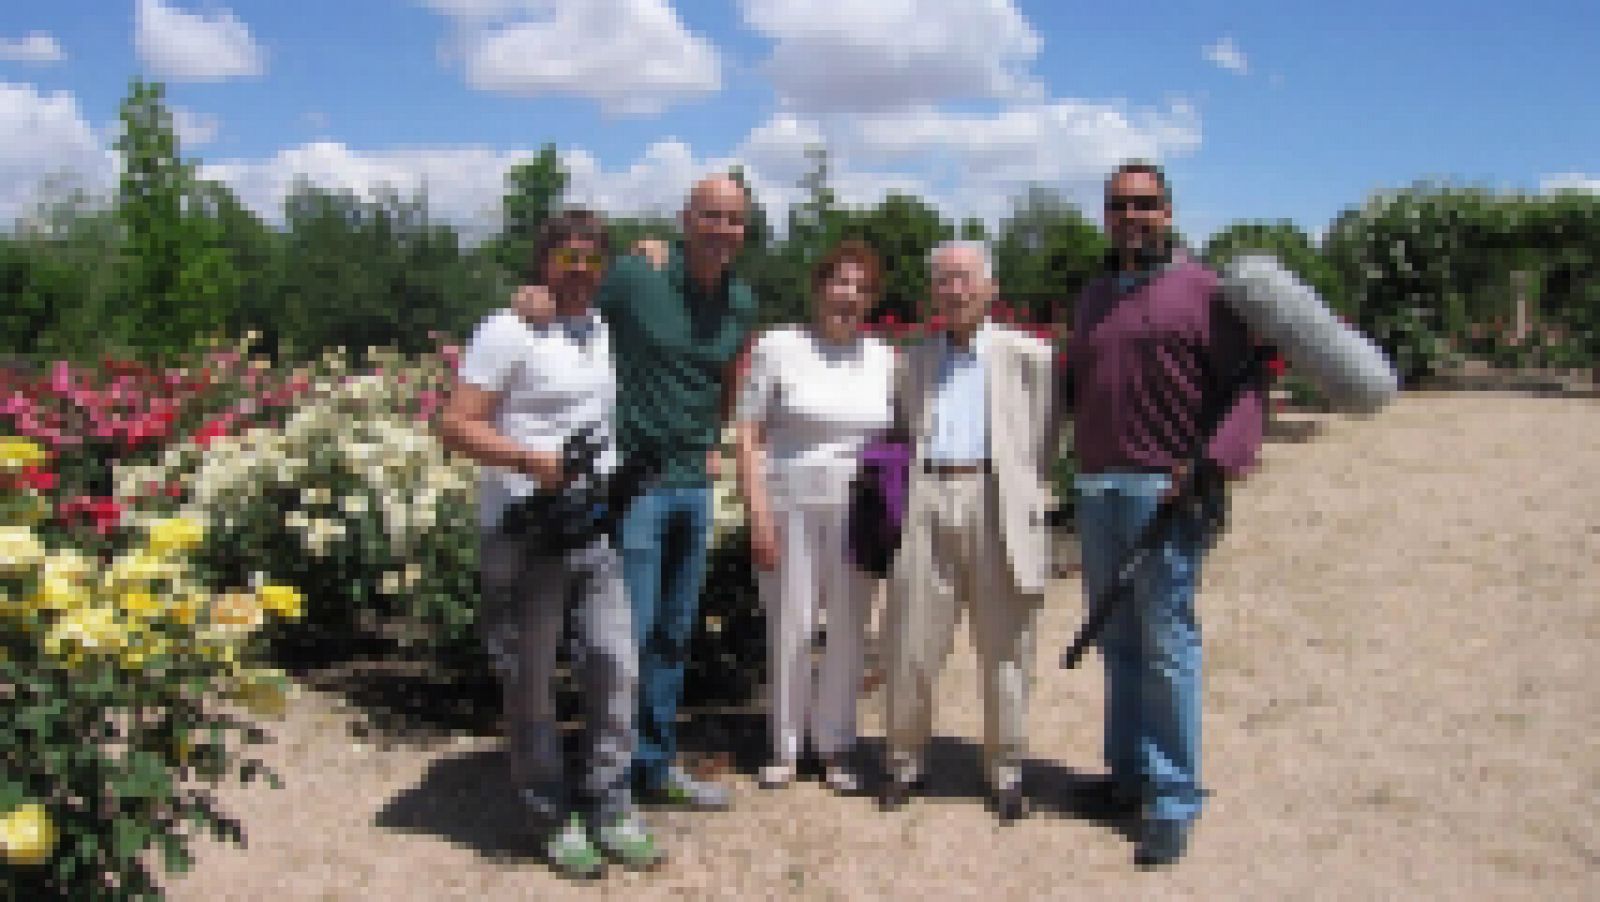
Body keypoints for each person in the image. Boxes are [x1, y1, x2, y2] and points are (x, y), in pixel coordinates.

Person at [439, 209, 663, 877]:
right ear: (543, 262)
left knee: (612, 664)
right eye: (567, 257)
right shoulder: (508, 329)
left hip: (589, 523)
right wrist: (528, 461)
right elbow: (455, 426)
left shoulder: (595, 326)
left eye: (592, 259)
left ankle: (609, 804)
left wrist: (652, 248)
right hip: (526, 529)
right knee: (531, 681)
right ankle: (548, 812)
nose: (580, 271)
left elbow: (664, 268)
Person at [1064, 160, 1264, 867]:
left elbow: (1247, 391)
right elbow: (1071, 388)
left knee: (1167, 646)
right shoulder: (1090, 299)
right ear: (1106, 216)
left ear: (1170, 212)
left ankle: (1175, 800)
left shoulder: (1208, 293)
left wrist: (1211, 465)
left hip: (1167, 495)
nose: (1132, 216)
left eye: (1145, 204)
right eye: (1119, 205)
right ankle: (1127, 778)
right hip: (1097, 491)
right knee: (1117, 644)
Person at [879, 240, 1059, 824]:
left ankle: (1005, 771)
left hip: (996, 497)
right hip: (928, 497)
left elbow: (1052, 432)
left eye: (965, 279)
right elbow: (902, 429)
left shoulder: (1031, 357)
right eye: (943, 280)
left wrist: (1032, 491)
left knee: (1007, 646)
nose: (953, 291)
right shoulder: (914, 361)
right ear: (932, 291)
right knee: (910, 640)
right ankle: (904, 762)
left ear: (991, 289)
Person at [596, 176, 758, 810]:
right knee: (627, 636)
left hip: (695, 486)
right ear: (685, 219)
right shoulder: (640, 277)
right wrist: (532, 297)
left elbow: (722, 375)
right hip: (639, 485)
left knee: (672, 635)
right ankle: (608, 777)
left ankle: (654, 765)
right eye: (710, 216)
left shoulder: (740, 299)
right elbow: (573, 305)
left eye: (734, 219)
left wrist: (715, 438)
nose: (722, 230)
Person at [732, 239, 895, 794]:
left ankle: (836, 745)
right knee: (791, 625)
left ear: (871, 299)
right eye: (840, 281)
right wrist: (757, 514)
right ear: (819, 287)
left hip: (859, 507)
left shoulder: (884, 358)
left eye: (861, 286)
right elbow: (748, 434)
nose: (848, 294)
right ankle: (785, 745)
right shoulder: (779, 346)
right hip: (787, 501)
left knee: (849, 630)